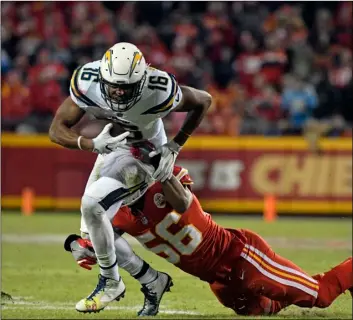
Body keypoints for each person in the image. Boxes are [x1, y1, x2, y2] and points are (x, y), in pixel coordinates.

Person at [65, 145, 352, 316]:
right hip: (216, 279)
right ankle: (286, 289)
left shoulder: (166, 180)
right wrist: (85, 247)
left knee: (320, 296)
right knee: (260, 310)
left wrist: (161, 172)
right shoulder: (120, 214)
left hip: (241, 256)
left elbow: (182, 201)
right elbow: (106, 244)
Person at [49, 42, 212, 313]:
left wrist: (175, 145)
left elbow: (204, 100)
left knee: (92, 205)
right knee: (94, 236)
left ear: (142, 79)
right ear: (102, 76)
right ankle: (152, 280)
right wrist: (90, 144)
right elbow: (56, 129)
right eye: (114, 85)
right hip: (110, 147)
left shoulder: (159, 90)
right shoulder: (87, 82)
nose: (118, 92)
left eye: (126, 87)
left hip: (144, 152)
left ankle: (111, 282)